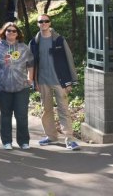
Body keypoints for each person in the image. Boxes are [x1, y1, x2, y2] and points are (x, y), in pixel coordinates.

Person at [29, 14, 80, 150]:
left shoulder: (59, 40)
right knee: (46, 110)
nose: (44, 23)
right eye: (41, 21)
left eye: (46, 21)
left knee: (63, 109)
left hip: (60, 81)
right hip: (43, 81)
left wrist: (70, 81)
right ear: (38, 24)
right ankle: (51, 136)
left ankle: (69, 139)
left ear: (50, 23)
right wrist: (34, 81)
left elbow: (69, 60)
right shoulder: (34, 42)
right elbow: (31, 63)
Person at [0, 22, 34, 150]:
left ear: (18, 33)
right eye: (8, 30)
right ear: (4, 32)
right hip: (2, 87)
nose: (11, 33)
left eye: (14, 31)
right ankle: (6, 142)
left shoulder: (24, 48)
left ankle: (24, 141)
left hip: (21, 86)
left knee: (21, 115)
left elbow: (31, 63)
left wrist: (30, 78)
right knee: (5, 115)